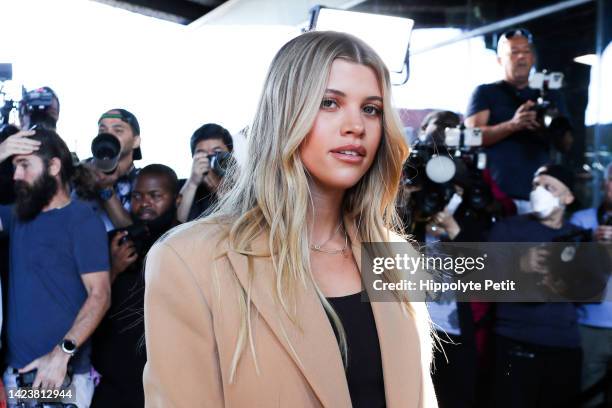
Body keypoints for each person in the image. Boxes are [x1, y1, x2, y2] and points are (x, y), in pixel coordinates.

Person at [144, 31, 436, 407]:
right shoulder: (191, 260)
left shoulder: (396, 257)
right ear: (284, 114)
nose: (356, 126)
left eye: (371, 109)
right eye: (329, 102)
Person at [0, 129, 111, 408]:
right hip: (19, 377)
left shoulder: (81, 219)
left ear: (53, 166)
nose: (16, 176)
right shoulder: (17, 217)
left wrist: (61, 354)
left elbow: (100, 295)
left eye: (24, 165)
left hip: (56, 376)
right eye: (13, 166)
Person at [488, 164, 583, 408]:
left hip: (564, 344)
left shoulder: (578, 236)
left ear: (568, 197)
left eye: (549, 187)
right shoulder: (508, 229)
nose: (539, 192)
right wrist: (520, 264)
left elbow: (588, 292)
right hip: (515, 341)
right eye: (535, 186)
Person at [92, 164, 181, 408]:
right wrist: (114, 268)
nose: (144, 203)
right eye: (137, 196)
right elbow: (88, 300)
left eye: (155, 196)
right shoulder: (115, 242)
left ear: (177, 199)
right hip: (111, 379)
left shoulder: (188, 242)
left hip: (167, 378)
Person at [465, 29, 569, 213]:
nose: (521, 56)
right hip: (496, 197)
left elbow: (567, 144)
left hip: (541, 196)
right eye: (514, 52)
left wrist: (547, 128)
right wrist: (513, 125)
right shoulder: (485, 92)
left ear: (533, 58)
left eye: (526, 51)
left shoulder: (550, 95)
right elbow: (471, 138)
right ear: (500, 60)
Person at [570, 163, 612, 408]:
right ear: (604, 183)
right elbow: (565, 273)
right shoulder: (582, 219)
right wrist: (591, 245)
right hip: (589, 324)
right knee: (587, 397)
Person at [91, 108, 142, 229]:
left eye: (118, 130)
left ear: (136, 141)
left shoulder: (145, 181)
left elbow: (134, 233)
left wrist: (105, 188)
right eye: (102, 130)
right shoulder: (80, 173)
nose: (108, 135)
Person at [176, 123, 233, 222]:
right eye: (202, 153)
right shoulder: (182, 187)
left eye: (217, 152)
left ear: (231, 153)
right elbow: (176, 224)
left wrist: (223, 188)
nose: (210, 158)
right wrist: (192, 183)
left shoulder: (243, 184)